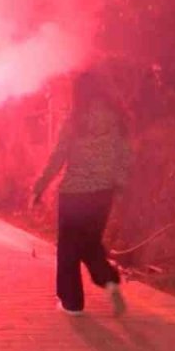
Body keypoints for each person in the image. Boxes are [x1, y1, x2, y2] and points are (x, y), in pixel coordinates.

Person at [32, 71, 131, 317]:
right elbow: (125, 155)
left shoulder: (75, 120)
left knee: (68, 248)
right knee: (89, 243)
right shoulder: (118, 120)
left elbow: (58, 156)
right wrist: (119, 184)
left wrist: (40, 186)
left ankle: (72, 303)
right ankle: (108, 280)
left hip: (75, 195)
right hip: (103, 194)